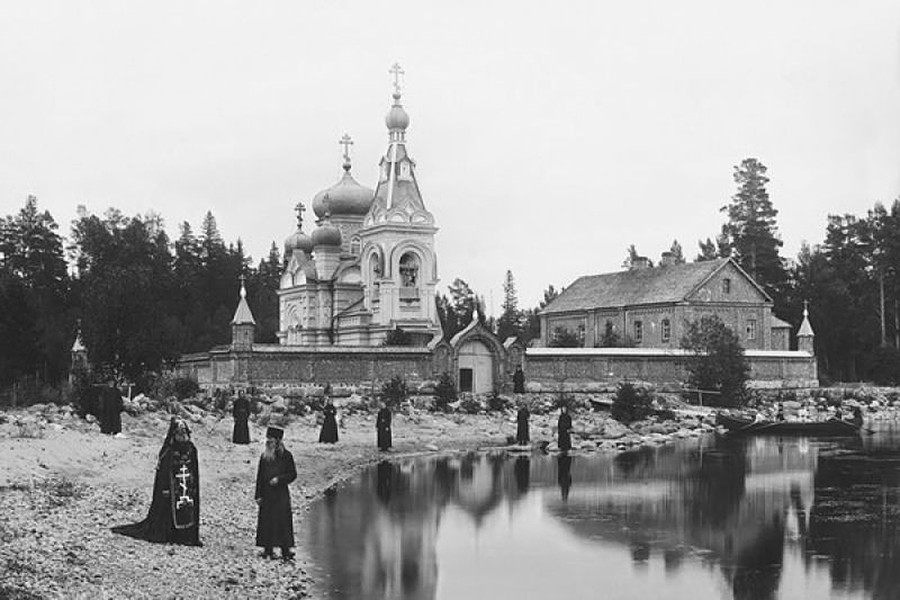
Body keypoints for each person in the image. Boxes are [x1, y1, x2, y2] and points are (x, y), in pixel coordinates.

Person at [111, 418, 201, 546]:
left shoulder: (191, 449)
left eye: (184, 432)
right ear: (173, 434)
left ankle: (187, 535)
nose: (182, 435)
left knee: (187, 510)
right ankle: (170, 534)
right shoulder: (168, 452)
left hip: (187, 487)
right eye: (179, 432)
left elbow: (194, 470)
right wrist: (164, 489)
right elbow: (162, 474)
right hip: (172, 489)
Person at [255, 426, 297, 560]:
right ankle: (268, 549)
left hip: (280, 494)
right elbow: (260, 477)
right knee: (267, 521)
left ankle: (285, 550)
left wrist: (279, 479)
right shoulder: (264, 456)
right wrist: (258, 495)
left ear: (278, 441)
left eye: (271, 440)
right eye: (267, 439)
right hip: (267, 494)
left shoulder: (287, 456)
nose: (268, 442)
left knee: (282, 521)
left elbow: (292, 474)